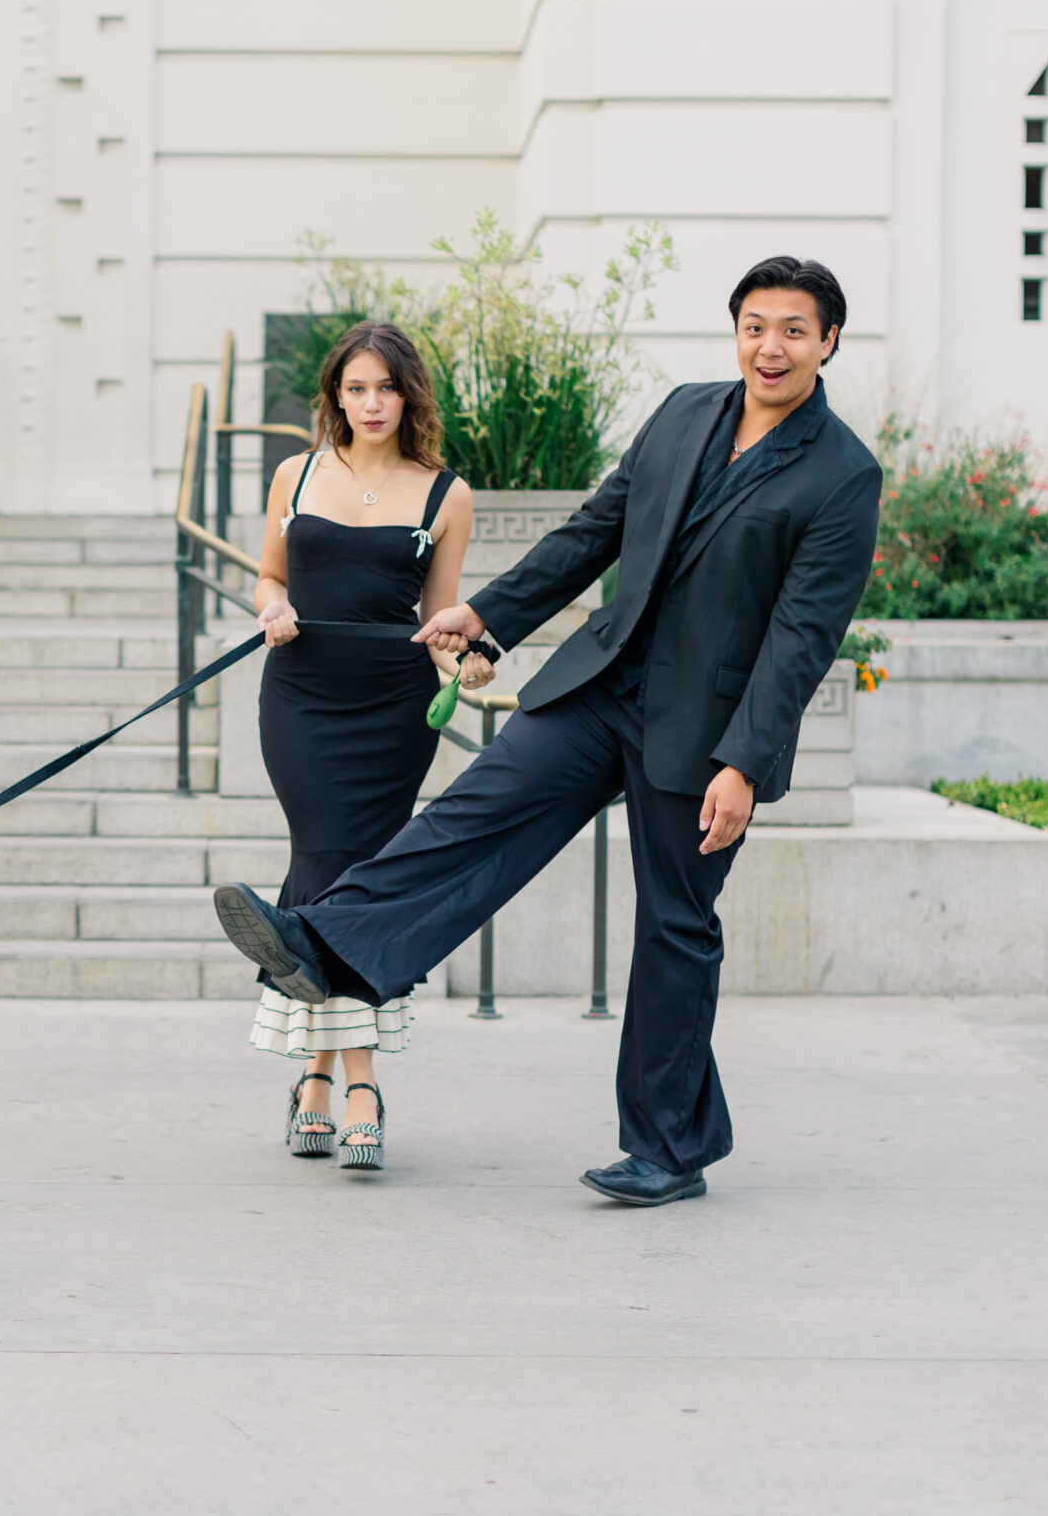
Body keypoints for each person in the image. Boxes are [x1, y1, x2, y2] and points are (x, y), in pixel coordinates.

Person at [213, 257, 881, 1207]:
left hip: (707, 728)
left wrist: (745, 760)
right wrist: (485, 617)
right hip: (603, 683)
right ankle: (325, 944)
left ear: (827, 342)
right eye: (755, 325)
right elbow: (591, 530)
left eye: (793, 330)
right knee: (475, 810)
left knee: (674, 929)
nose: (770, 346)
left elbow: (801, 636)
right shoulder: (686, 411)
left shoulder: (843, 473)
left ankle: (667, 1148)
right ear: (734, 331)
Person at [247, 320, 492, 1171]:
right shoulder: (297, 471)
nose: (372, 402)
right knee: (329, 856)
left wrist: (469, 660)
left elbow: (442, 614)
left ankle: (316, 1073)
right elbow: (270, 572)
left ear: (409, 394)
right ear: (335, 396)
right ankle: (361, 1081)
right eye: (356, 387)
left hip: (391, 704)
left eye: (386, 386)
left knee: (346, 876)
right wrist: (272, 607)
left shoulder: (445, 493)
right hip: (302, 696)